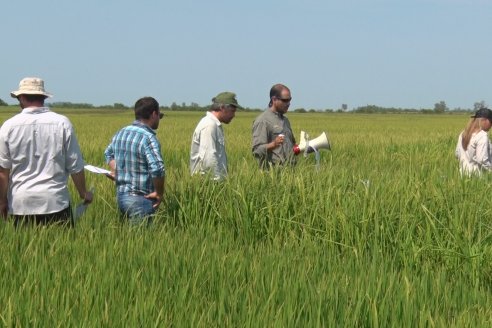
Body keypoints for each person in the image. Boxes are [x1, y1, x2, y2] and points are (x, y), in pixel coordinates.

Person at [0, 77, 92, 225]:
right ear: (43, 97)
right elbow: (75, 164)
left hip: (20, 203)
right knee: (62, 247)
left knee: (24, 248)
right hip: (55, 201)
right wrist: (83, 193)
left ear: (21, 98)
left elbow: (3, 171)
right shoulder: (62, 122)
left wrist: (2, 201)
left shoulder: (8, 126)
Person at [104, 96, 165, 225]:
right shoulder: (148, 138)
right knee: (142, 242)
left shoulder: (121, 133)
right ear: (154, 114)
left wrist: (117, 170)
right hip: (141, 199)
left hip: (121, 197)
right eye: (160, 115)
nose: (159, 119)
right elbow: (157, 168)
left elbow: (108, 154)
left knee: (129, 240)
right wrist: (159, 193)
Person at [190, 92, 240, 180]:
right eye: (232, 111)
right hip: (208, 184)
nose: (234, 115)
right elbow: (208, 158)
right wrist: (216, 183)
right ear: (222, 108)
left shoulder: (214, 125)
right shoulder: (209, 125)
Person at [252, 83, 296, 169]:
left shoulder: (285, 120)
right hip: (272, 174)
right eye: (285, 100)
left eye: (289, 100)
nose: (288, 103)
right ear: (274, 99)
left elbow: (292, 145)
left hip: (290, 173)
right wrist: (273, 144)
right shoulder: (263, 120)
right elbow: (256, 151)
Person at [455, 107, 492, 176]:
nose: (491, 125)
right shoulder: (482, 136)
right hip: (478, 176)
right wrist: (490, 169)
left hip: (463, 175)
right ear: (485, 120)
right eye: (491, 122)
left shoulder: (463, 134)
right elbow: (482, 159)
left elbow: (457, 154)